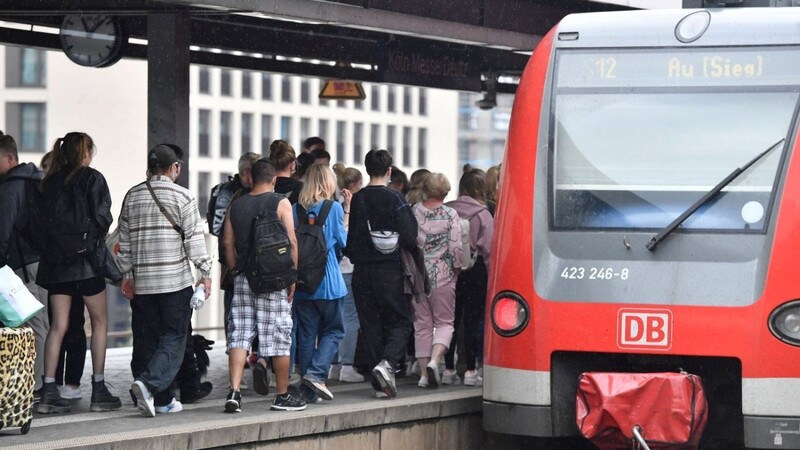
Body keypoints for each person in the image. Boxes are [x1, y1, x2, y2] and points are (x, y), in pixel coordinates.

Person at [118, 143, 213, 417]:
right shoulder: (183, 197)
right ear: (174, 168)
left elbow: (124, 244)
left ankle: (163, 400)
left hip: (143, 285)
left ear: (150, 168)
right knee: (173, 338)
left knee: (147, 339)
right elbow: (195, 243)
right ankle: (147, 385)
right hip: (174, 284)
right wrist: (205, 273)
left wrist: (127, 275)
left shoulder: (132, 196)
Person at [36, 132, 121, 414]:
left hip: (56, 265)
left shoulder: (48, 183)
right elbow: (102, 219)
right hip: (86, 265)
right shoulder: (92, 178)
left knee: (57, 327)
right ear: (86, 152)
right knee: (98, 322)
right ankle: (98, 389)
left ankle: (48, 390)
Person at [222, 159, 306, 413]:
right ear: (273, 181)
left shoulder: (236, 205)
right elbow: (291, 241)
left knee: (240, 334)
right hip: (274, 280)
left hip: (244, 279)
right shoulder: (280, 202)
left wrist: (238, 269)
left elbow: (227, 244)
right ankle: (282, 395)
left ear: (250, 179)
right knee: (279, 335)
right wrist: (292, 277)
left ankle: (234, 392)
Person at [345, 149, 418, 399]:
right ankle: (387, 364)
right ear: (389, 171)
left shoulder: (358, 199)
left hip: (362, 272)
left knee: (371, 324)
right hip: (390, 272)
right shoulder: (396, 199)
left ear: (367, 169)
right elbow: (410, 236)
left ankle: (380, 385)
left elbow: (352, 239)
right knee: (401, 320)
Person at [293, 163, 350, 402]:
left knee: (307, 334)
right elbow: (343, 242)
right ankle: (316, 375)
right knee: (334, 330)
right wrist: (347, 211)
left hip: (303, 283)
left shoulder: (296, 208)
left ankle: (308, 390)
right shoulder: (334, 208)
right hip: (328, 282)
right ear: (328, 182)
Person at [0, 133, 50, 401]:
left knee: (34, 325)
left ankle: (33, 387)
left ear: (9, 158)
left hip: (21, 266)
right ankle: (37, 382)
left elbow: (2, 231)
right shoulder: (36, 179)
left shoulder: (11, 188)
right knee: (36, 323)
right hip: (39, 262)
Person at [410, 174, 462, 388]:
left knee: (421, 325)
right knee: (445, 322)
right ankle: (435, 360)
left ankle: (423, 375)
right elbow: (456, 247)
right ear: (445, 192)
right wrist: (457, 269)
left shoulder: (413, 211)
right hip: (443, 275)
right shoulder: (450, 214)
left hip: (418, 275)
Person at [443, 169, 494, 386]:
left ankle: (448, 368)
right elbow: (490, 249)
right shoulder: (483, 214)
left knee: (449, 321)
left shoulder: (448, 210)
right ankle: (471, 370)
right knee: (472, 321)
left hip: (448, 270)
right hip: (475, 271)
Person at [329, 167, 365, 383]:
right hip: (349, 269)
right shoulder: (351, 208)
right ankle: (348, 365)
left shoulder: (332, 206)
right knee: (350, 319)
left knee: (333, 319)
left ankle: (333, 365)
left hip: (333, 270)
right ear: (354, 186)